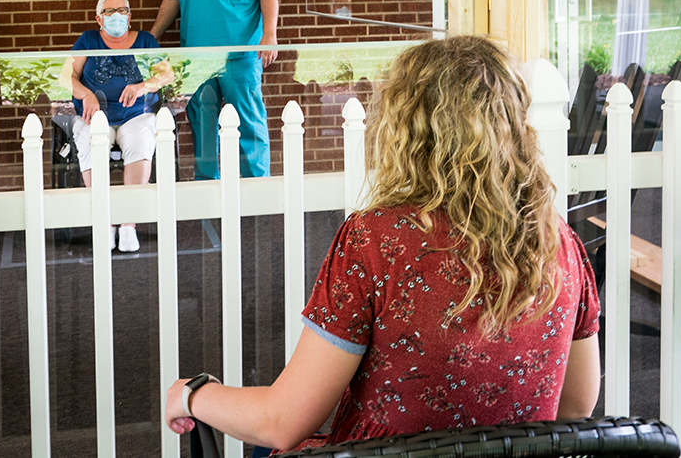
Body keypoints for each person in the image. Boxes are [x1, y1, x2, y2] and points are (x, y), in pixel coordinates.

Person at [164, 36, 601, 451]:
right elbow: (577, 404)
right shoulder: (560, 242)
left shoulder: (375, 241)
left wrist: (194, 394)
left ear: (408, 131)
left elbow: (283, 422)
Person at [151, 0, 280, 180]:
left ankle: (255, 187)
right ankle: (207, 186)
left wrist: (269, 35)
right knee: (202, 125)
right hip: (198, 58)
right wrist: (152, 36)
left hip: (242, 54)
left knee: (249, 123)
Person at [69, 0, 172, 252]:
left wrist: (142, 87)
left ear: (130, 16)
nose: (117, 16)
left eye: (122, 11)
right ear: (99, 19)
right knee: (92, 144)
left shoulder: (146, 40)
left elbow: (166, 76)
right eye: (109, 12)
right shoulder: (88, 40)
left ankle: (128, 225)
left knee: (140, 141)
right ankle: (104, 224)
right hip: (95, 117)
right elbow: (66, 76)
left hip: (136, 114)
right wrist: (86, 93)